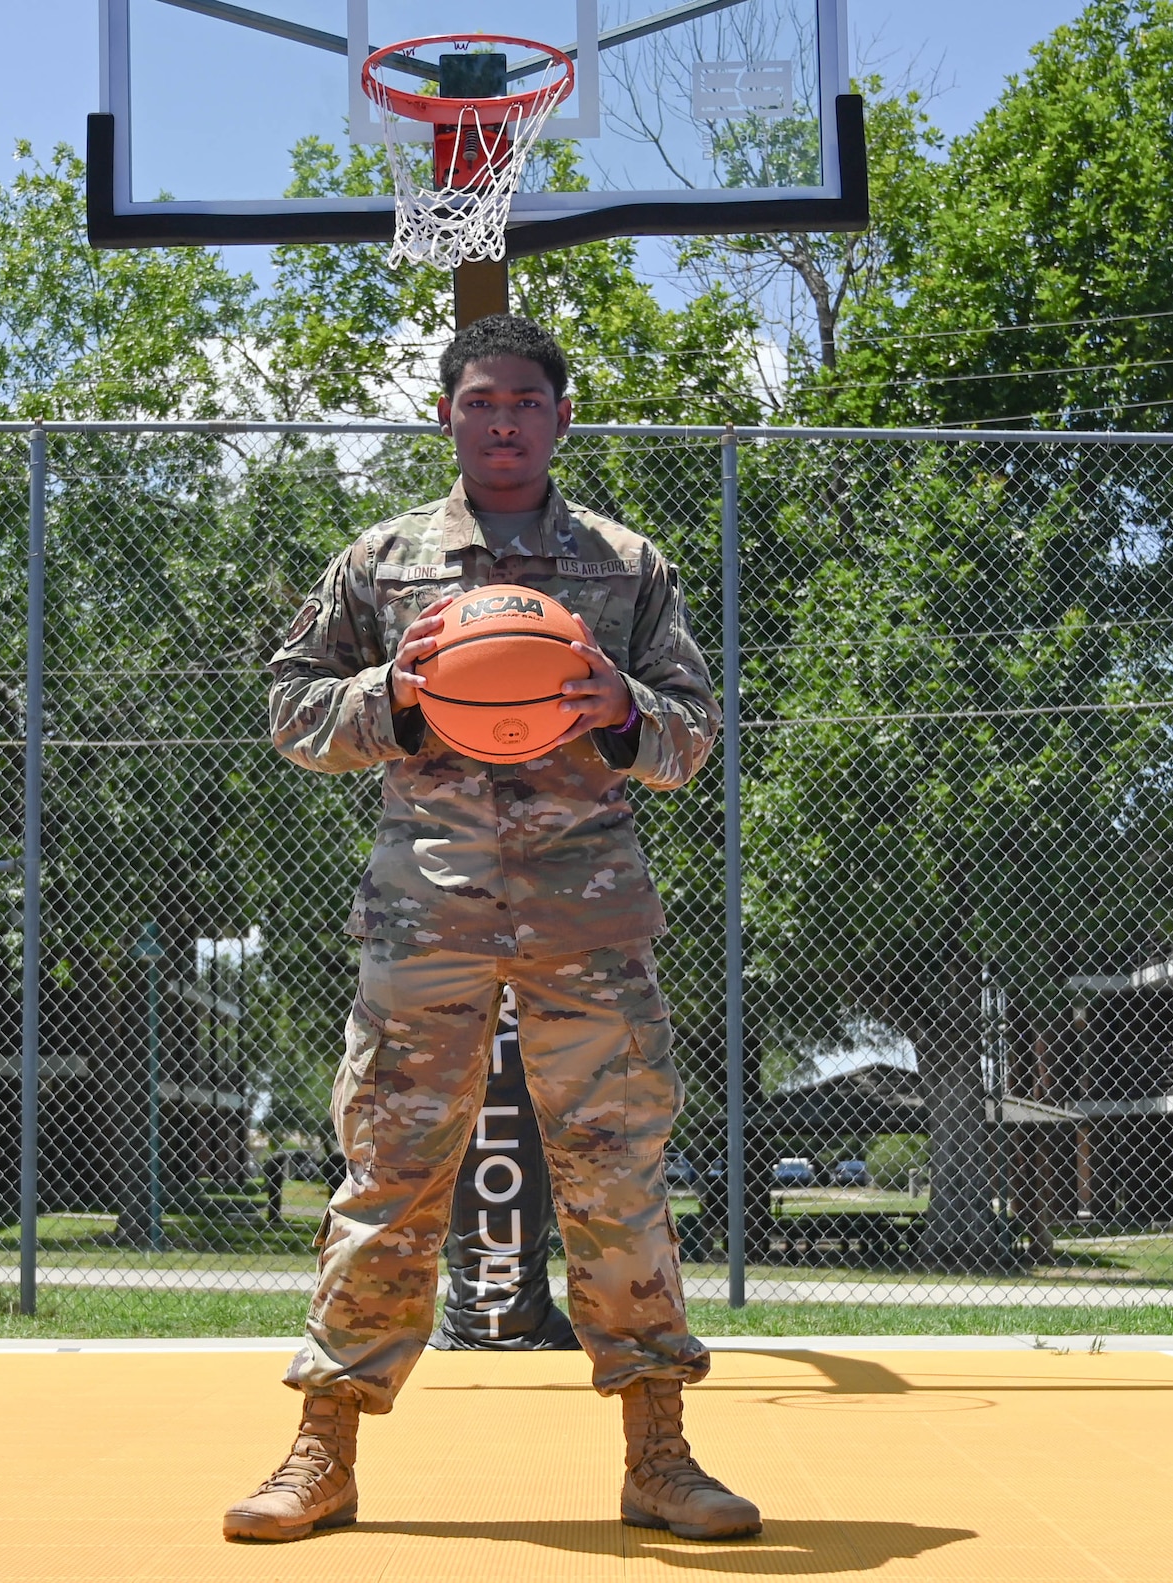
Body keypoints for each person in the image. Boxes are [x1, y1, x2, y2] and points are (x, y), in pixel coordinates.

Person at [225, 314, 757, 1544]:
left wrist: (626, 707)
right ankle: (325, 1444)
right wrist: (394, 699)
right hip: (428, 905)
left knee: (616, 1168)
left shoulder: (627, 565)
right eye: (478, 400)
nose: (502, 419)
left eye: (524, 399)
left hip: (588, 906)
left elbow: (691, 734)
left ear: (560, 417)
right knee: (388, 1169)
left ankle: (657, 1450)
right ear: (449, 415)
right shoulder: (385, 559)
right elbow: (292, 712)